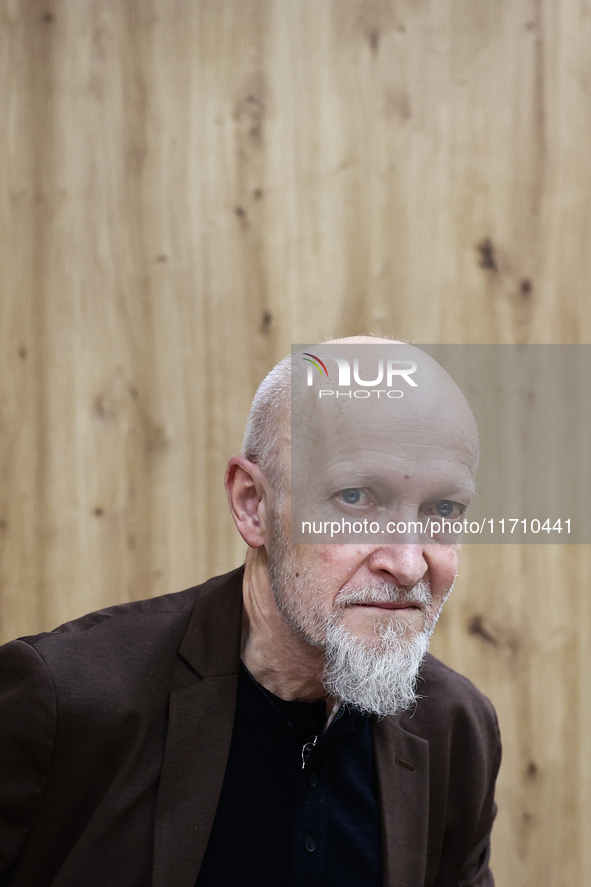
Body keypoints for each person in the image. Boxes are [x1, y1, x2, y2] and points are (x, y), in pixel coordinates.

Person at [0, 337, 501, 887]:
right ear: (252, 505)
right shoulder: (64, 702)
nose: (408, 564)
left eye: (445, 508)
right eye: (356, 498)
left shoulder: (457, 727)